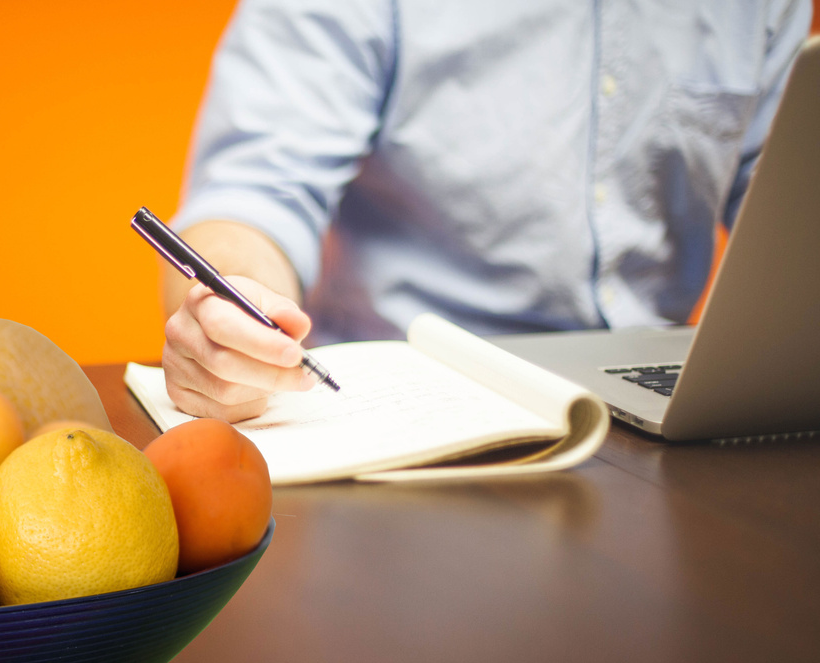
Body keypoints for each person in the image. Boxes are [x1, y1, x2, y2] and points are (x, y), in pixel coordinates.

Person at [159, 0, 813, 422]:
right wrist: (233, 307)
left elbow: (788, 198)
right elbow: (254, 193)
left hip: (675, 407)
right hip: (407, 410)